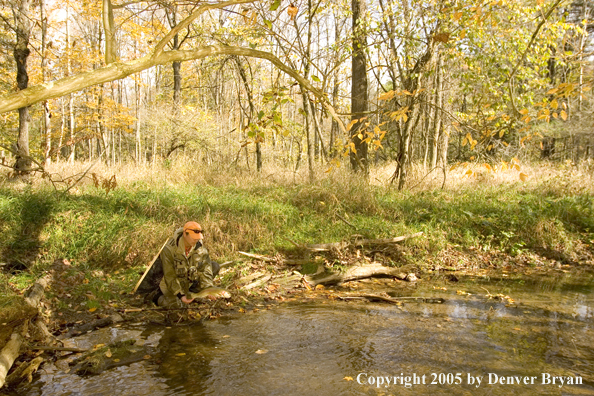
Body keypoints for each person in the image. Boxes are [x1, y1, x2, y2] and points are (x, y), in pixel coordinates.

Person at [149, 221, 221, 308]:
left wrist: (209, 289)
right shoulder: (169, 249)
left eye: (198, 237)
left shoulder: (201, 249)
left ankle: (192, 294)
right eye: (193, 237)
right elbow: (170, 276)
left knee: (214, 266)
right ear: (185, 234)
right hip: (172, 285)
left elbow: (206, 270)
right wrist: (180, 295)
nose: (197, 240)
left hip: (188, 282)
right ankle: (157, 297)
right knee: (175, 305)